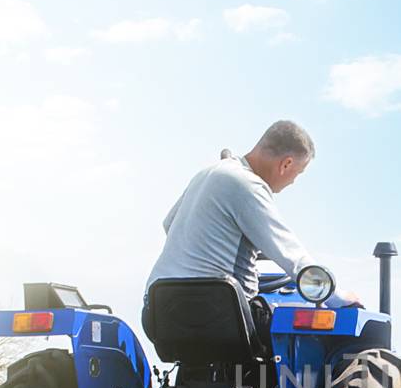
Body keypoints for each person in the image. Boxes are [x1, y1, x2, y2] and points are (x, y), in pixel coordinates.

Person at [146, 120, 357, 306]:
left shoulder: (208, 173)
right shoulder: (248, 185)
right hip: (215, 314)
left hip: (159, 307)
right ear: (287, 164)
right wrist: (337, 296)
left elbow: (169, 224)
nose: (293, 182)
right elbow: (291, 256)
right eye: (298, 174)